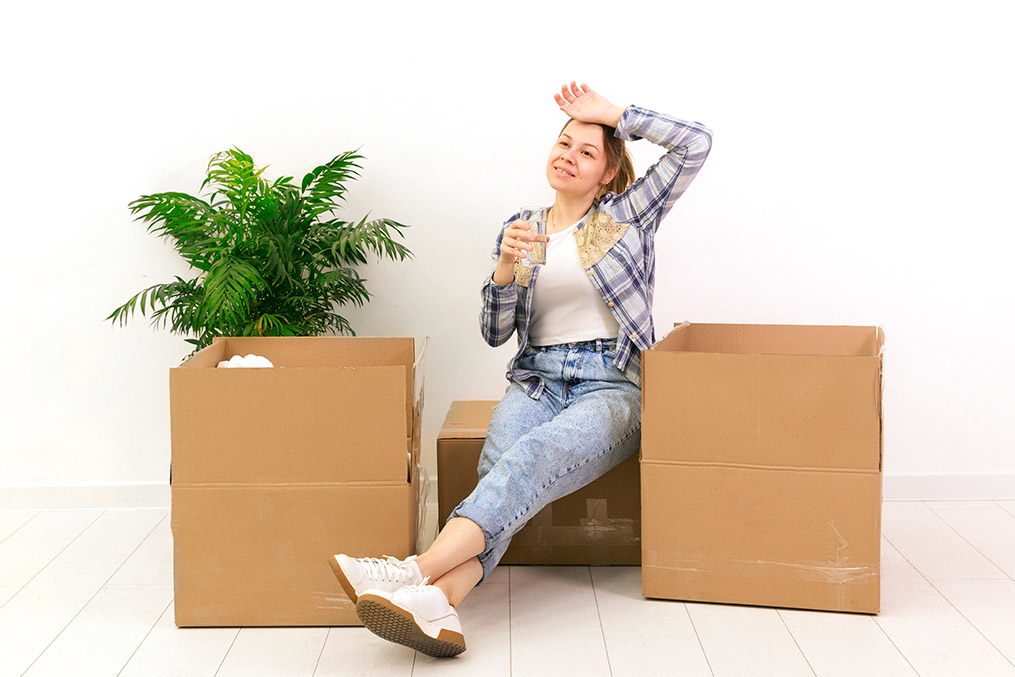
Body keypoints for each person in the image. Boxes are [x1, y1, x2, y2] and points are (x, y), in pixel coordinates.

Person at [330, 81, 712, 658]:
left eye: (587, 151)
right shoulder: (525, 227)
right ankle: (439, 604)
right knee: (497, 469)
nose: (570, 155)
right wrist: (505, 268)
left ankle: (410, 572)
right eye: (564, 143)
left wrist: (613, 114)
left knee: (530, 459)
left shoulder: (626, 215)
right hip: (536, 377)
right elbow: (495, 334)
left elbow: (696, 144)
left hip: (611, 384)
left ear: (608, 173)